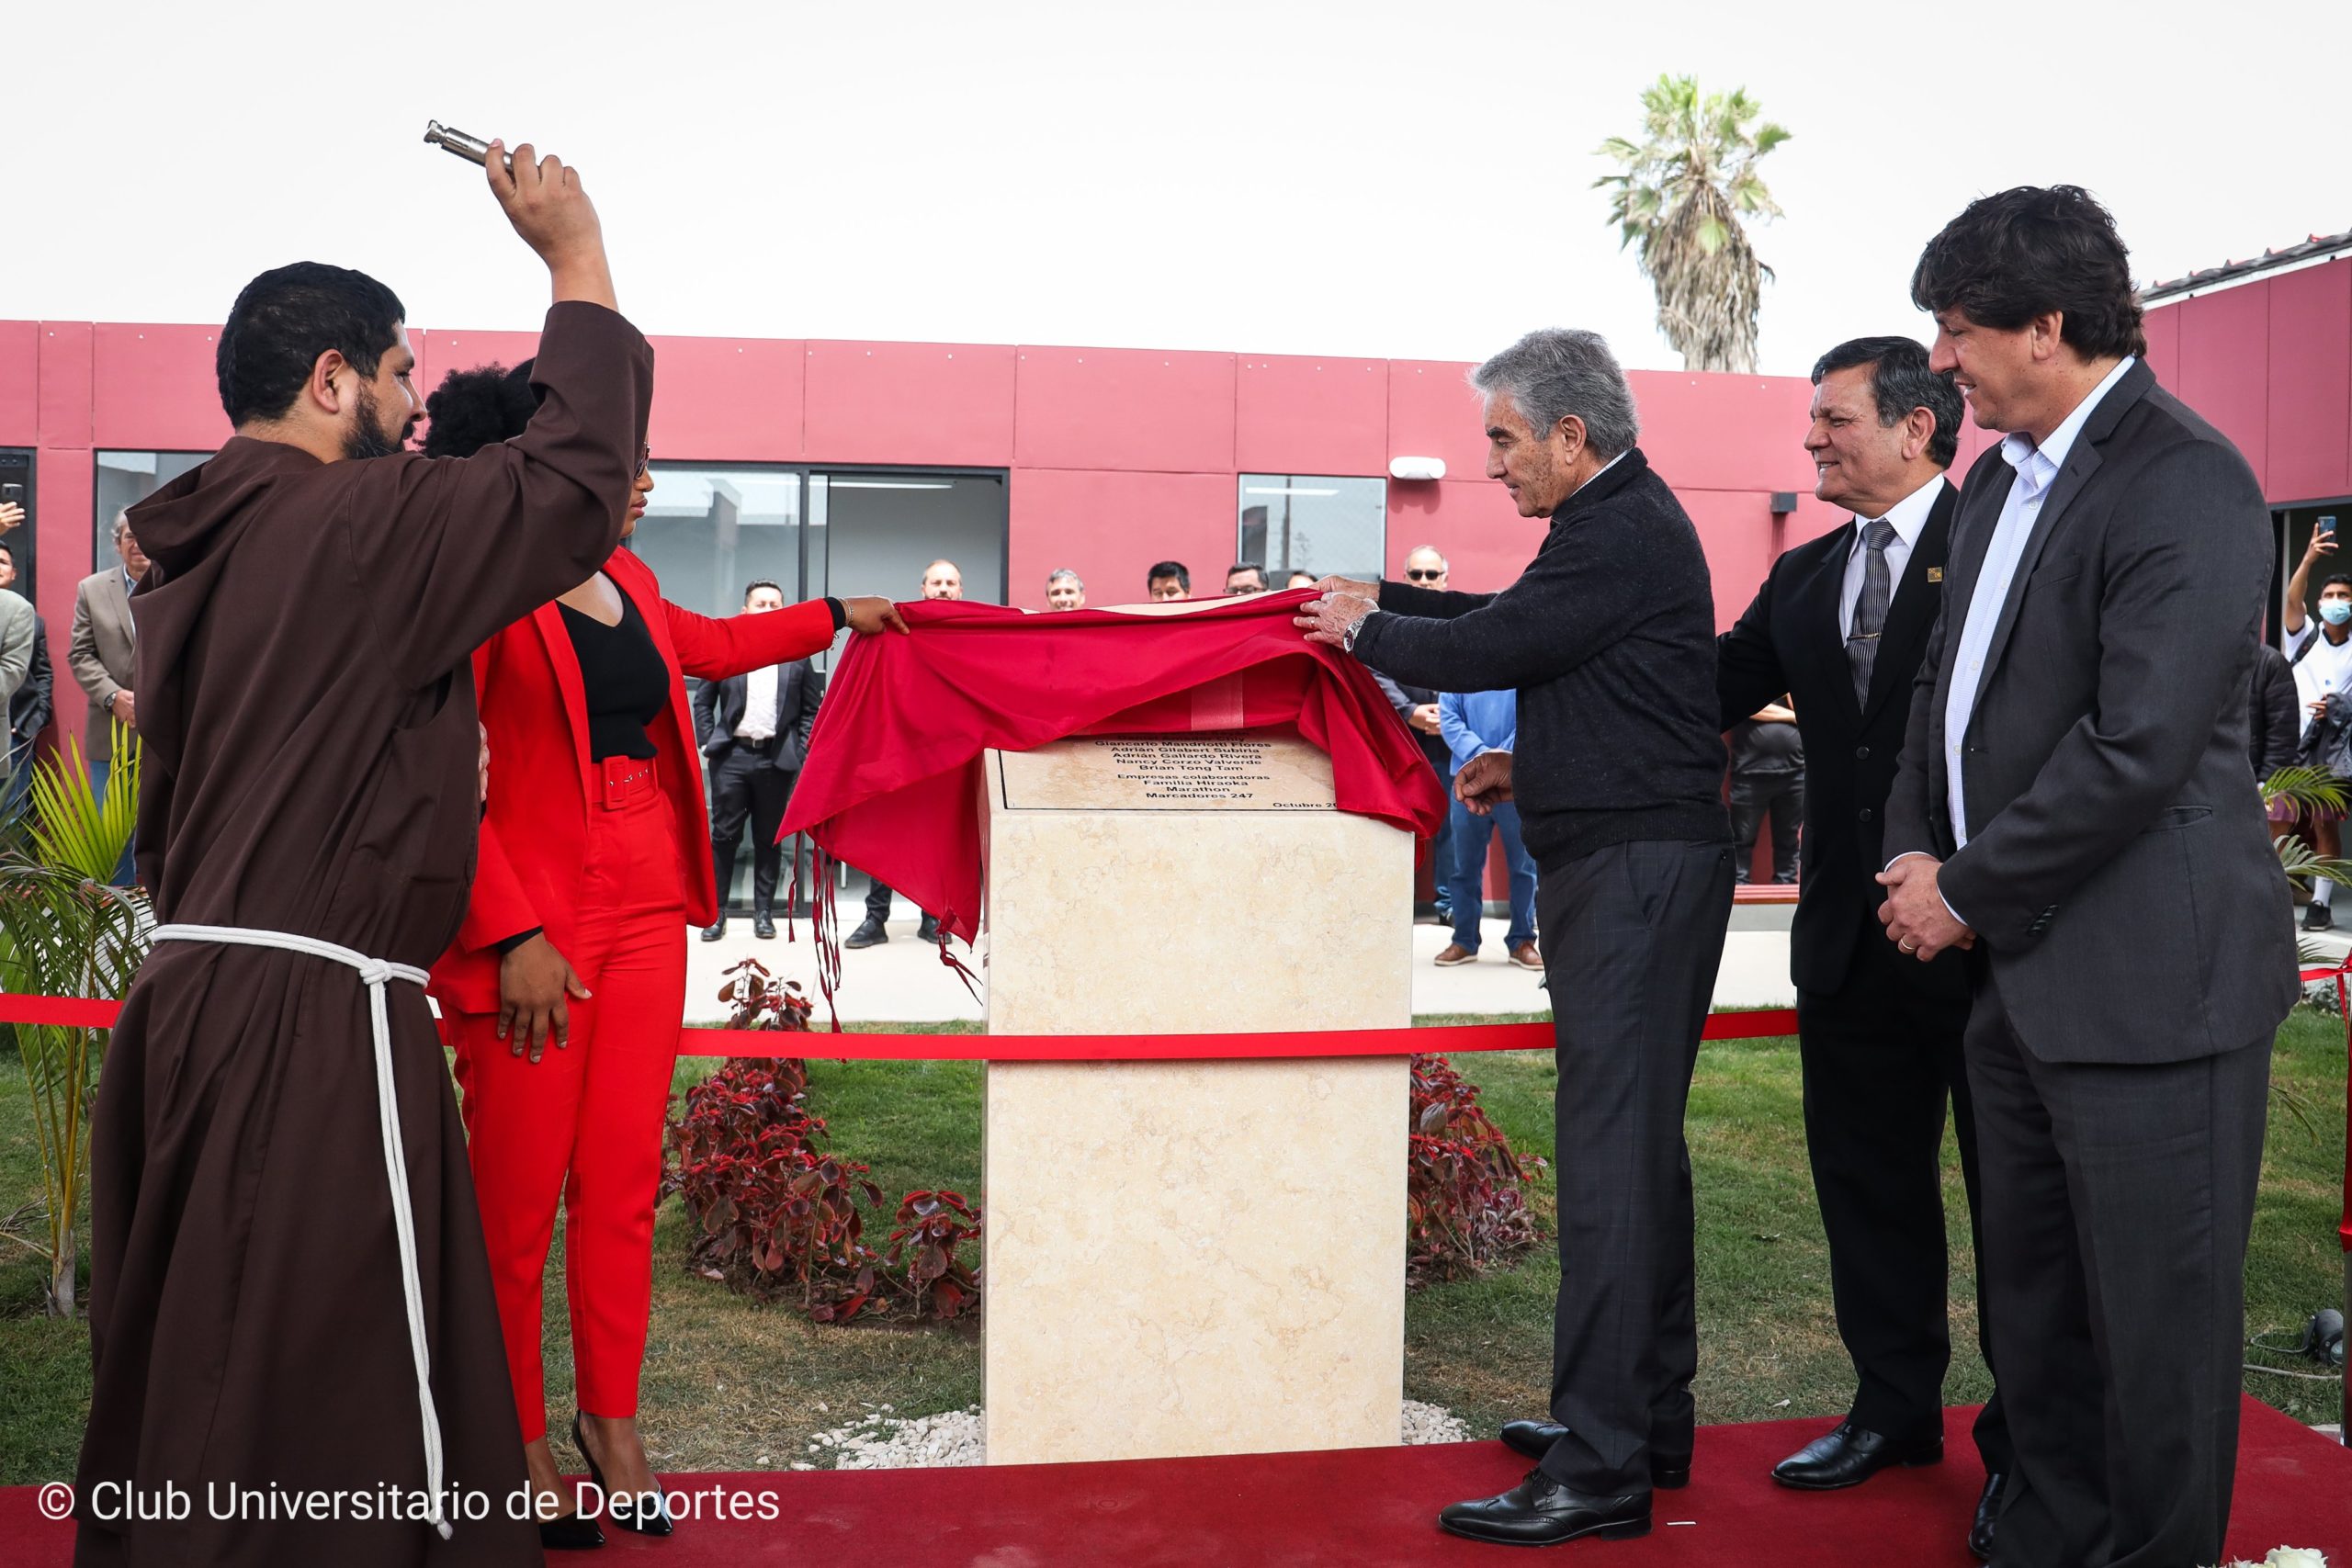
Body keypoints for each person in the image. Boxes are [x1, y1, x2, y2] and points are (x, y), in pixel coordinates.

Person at [74, 140, 640, 1568]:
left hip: (194, 1009)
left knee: (211, 1368)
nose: (410, 409)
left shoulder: (192, 543)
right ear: (332, 379)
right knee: (343, 1398)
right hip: (308, 1024)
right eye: (397, 376)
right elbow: (574, 479)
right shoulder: (356, 528)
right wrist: (574, 255)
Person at [1879, 186, 2296, 1568]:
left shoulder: (2186, 474)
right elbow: (1945, 690)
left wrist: (1965, 888)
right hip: (2020, 983)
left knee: (2158, 1339)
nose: (1942, 359)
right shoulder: (1998, 476)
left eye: (1957, 330)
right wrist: (1909, 846)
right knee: (2040, 1322)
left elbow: (2141, 745)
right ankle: (2043, 1541)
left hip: (2152, 991)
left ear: (2045, 326)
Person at [421, 362, 904, 1545]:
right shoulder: (473, 588)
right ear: (534, 464)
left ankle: (612, 1424)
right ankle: (514, 1438)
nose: (633, 476)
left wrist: (839, 614)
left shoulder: (626, 573)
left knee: (624, 1191)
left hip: (643, 908)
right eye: (607, 454)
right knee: (514, 1204)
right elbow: (440, 787)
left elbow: (703, 643)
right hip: (533, 924)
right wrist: (511, 932)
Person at [1298, 327, 1734, 1548]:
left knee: (1609, 1165)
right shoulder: (1615, 527)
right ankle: (1641, 1421)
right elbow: (1533, 631)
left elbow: (1492, 642)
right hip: (1633, 859)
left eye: (1501, 438)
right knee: (1641, 1156)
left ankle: (1602, 1464)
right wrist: (1527, 757)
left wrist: (1363, 622)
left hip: (1637, 880)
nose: (1492, 464)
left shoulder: (1621, 529)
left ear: (1569, 435)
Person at [1716, 334, 2009, 1556]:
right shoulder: (1802, 577)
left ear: (1916, 428)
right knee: (1868, 1190)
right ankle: (1893, 1411)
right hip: (1846, 945)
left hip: (1994, 943)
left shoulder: (2005, 546)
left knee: (2018, 1210)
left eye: (1833, 420)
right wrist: (1540, 749)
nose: (1811, 441)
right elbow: (1701, 687)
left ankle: (2030, 1442)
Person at [694, 580, 826, 941]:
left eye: (774, 604)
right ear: (746, 610)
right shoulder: (730, 649)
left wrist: (799, 751)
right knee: (724, 838)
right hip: (732, 758)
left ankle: (764, 914)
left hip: (776, 760)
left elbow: (811, 710)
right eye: (761, 603)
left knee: (768, 839)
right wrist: (707, 742)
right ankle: (716, 914)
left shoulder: (798, 655)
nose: (768, 609)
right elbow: (703, 700)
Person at [847, 561, 959, 947]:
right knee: (887, 832)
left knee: (936, 839)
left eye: (950, 583)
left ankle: (933, 918)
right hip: (897, 750)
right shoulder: (898, 629)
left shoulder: (969, 636)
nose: (943, 588)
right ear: (923, 588)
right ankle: (875, 920)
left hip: (946, 756)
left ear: (960, 591)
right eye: (936, 582)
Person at [1374, 548, 1461, 926]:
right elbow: (1373, 670)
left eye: (1431, 574)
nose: (1424, 581)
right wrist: (1410, 713)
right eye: (1416, 574)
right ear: (1405, 578)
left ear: (1445, 578)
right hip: (1401, 744)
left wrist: (1452, 715)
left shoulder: (1465, 619)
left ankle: (1448, 905)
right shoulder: (1387, 622)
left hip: (1451, 744)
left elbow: (1478, 668)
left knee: (1453, 828)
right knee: (1398, 826)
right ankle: (1395, 906)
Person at [1433, 685, 1539, 969]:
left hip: (1515, 776)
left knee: (1524, 867)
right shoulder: (1457, 667)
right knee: (1463, 869)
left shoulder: (1520, 665)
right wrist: (1483, 757)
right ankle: (1464, 940)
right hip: (1466, 779)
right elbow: (1449, 718)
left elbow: (1533, 714)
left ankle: (1522, 941)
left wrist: (1501, 757)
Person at [69, 513, 143, 884]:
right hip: (110, 733)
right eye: (130, 536)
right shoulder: (93, 589)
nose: (138, 543)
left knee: (164, 832)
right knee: (112, 837)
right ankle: (118, 923)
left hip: (169, 734)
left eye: (146, 535)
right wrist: (113, 696)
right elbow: (80, 654)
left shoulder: (182, 584)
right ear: (117, 544)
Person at [2289, 571, 2352, 929]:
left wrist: (2341, 707)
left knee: (2325, 825)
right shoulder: (2304, 637)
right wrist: (2310, 557)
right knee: (2276, 822)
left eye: (2343, 595)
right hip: (2291, 749)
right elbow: (2292, 601)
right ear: (2319, 602)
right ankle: (2283, 887)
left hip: (2332, 755)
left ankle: (2320, 904)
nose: (2336, 601)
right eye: (2329, 594)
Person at [0, 539, 52, 817]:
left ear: (14, 573)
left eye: (3, 562)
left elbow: (41, 674)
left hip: (15, 732)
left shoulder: (28, 616)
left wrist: (32, 722)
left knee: (12, 819)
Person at [1725, 699, 1803, 885]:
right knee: (1741, 840)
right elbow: (1749, 707)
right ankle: (1738, 893)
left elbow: (1805, 704)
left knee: (1789, 843)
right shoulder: (1750, 676)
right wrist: (1793, 717)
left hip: (1795, 773)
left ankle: (1786, 893)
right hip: (1750, 773)